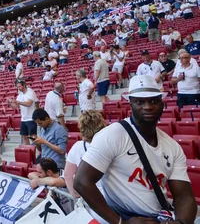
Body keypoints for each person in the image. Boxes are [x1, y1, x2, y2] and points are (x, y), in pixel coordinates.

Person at [74, 75, 196, 224]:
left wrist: (180, 222)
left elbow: (184, 196)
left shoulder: (172, 146)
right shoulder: (112, 135)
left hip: (158, 217)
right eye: (140, 101)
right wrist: (121, 222)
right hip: (122, 217)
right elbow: (81, 181)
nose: (147, 106)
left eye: (153, 101)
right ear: (130, 104)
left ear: (162, 103)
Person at [64, 110, 105, 197]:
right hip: (111, 197)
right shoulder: (111, 143)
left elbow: (68, 175)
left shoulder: (77, 147)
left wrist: (74, 194)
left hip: (90, 197)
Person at [8, 79, 38, 145]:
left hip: (31, 118)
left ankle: (39, 151)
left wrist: (18, 102)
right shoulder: (20, 95)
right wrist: (10, 103)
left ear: (24, 85)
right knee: (24, 136)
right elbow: (15, 106)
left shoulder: (30, 92)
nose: (18, 88)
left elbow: (28, 104)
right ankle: (28, 151)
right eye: (17, 87)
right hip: (23, 119)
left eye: (19, 86)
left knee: (33, 137)